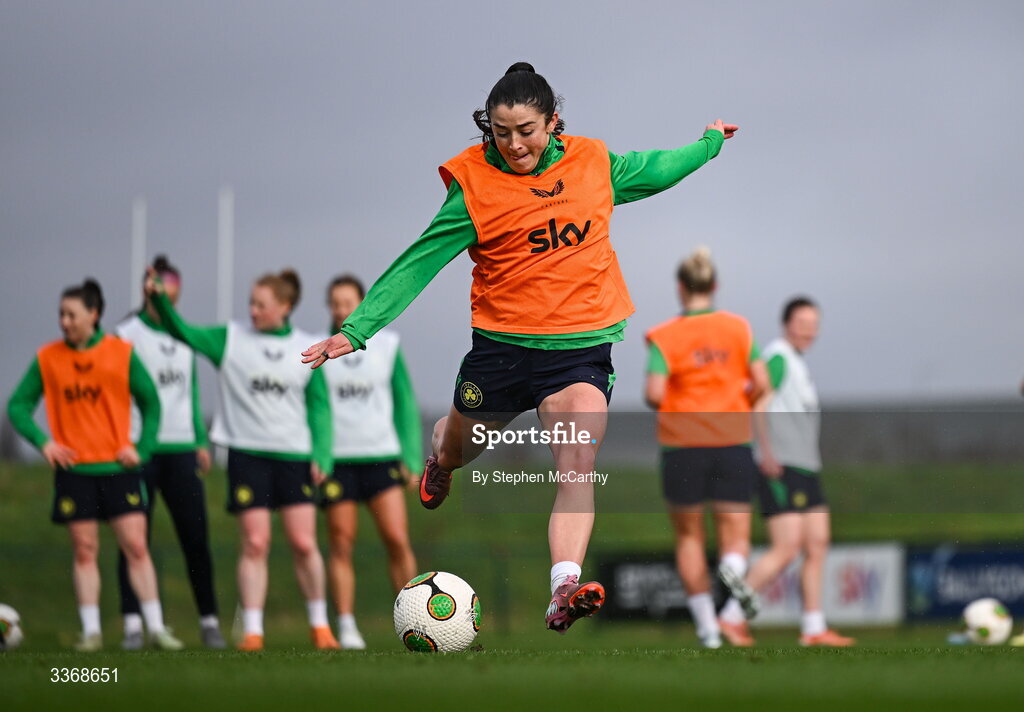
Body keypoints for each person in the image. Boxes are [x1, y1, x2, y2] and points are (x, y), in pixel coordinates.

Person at [302, 62, 738, 634]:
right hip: (502, 353)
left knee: (577, 458)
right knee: (460, 446)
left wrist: (707, 144)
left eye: (526, 130)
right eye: (501, 132)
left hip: (578, 352)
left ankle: (563, 585)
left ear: (553, 122)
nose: (513, 144)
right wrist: (357, 329)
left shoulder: (592, 164)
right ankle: (441, 457)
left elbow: (655, 169)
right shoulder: (475, 186)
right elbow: (420, 260)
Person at [145, 267, 338, 651]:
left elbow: (320, 408)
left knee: (303, 542)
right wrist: (162, 303)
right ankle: (252, 630)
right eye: (250, 302)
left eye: (261, 304)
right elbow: (183, 331)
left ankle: (320, 626)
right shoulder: (230, 340)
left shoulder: (307, 345)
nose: (252, 310)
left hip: (294, 457)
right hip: (247, 456)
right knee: (255, 542)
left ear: (284, 306)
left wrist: (323, 454)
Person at [6, 278, 184, 651]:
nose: (64, 321)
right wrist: (44, 443)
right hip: (76, 473)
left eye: (72, 314)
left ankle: (156, 628)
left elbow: (151, 402)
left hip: (118, 469)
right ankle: (91, 633)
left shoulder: (121, 353)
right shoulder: (48, 358)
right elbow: (18, 406)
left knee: (136, 547)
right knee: (85, 551)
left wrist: (143, 448)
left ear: (94, 314)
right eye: (61, 314)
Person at [644, 248, 769, 648]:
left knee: (690, 539)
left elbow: (653, 393)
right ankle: (731, 570)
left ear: (680, 288)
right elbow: (763, 382)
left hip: (683, 446)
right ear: (714, 286)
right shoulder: (739, 329)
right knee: (736, 536)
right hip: (732, 441)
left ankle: (707, 631)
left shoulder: (665, 335)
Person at [717, 297, 855, 647]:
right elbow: (758, 401)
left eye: (814, 323)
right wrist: (766, 451)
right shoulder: (778, 356)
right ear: (786, 324)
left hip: (807, 466)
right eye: (802, 322)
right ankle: (731, 617)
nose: (809, 330)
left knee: (818, 543)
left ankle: (813, 628)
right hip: (782, 465)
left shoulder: (797, 362)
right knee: (788, 547)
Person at [115, 255, 224, 649]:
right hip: (137, 451)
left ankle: (209, 622)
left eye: (172, 283)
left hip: (181, 450)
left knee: (196, 538)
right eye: (159, 284)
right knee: (132, 541)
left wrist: (200, 439)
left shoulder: (183, 337)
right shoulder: (125, 334)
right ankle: (133, 625)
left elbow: (190, 390)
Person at [318, 274, 421, 649]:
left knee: (396, 539)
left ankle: (414, 619)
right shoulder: (318, 350)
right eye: (334, 302)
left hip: (382, 457)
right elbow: (314, 409)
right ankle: (346, 625)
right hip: (338, 463)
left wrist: (411, 458)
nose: (340, 309)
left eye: (347, 302)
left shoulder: (387, 346)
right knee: (341, 543)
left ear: (362, 303)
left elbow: (405, 404)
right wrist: (319, 457)